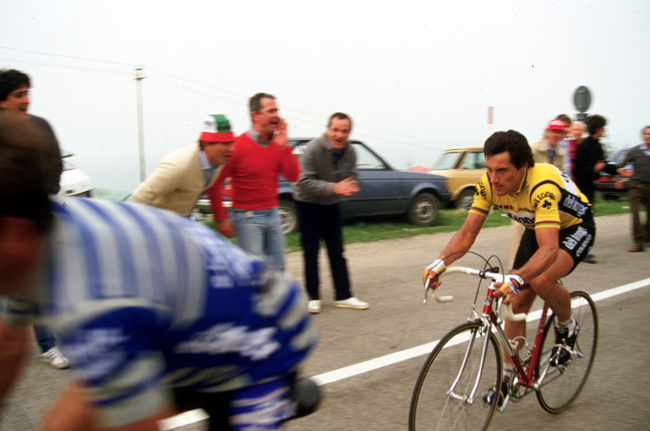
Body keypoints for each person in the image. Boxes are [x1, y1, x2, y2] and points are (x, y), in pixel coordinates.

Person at [0, 112, 316, 431]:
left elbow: (138, 420)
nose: (228, 149)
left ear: (14, 233)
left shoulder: (92, 299)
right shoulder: (36, 234)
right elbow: (7, 345)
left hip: (262, 334)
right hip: (171, 319)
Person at [423, 130, 594, 403]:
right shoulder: (489, 184)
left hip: (573, 228)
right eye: (489, 169)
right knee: (514, 305)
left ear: (524, 166)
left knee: (539, 280)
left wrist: (516, 277)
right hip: (535, 225)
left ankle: (567, 325)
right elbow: (467, 234)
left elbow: (549, 248)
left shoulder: (542, 187)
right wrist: (439, 263)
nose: (493, 178)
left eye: (502, 170)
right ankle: (510, 376)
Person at [0, 68, 69, 369]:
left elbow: (55, 165)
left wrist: (42, 195)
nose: (26, 99)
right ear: (2, 100)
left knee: (36, 284)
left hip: (35, 217)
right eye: (19, 94)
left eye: (27, 93)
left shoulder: (41, 126)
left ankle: (47, 345)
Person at [208, 93, 300, 272]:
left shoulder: (277, 144)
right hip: (247, 218)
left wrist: (284, 147)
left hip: (273, 214)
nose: (276, 115)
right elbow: (215, 182)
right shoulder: (237, 146)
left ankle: (275, 301)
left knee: (278, 269)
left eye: (277, 110)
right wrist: (221, 219)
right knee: (254, 273)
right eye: (271, 111)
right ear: (255, 115)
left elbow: (293, 176)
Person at [293, 113, 369, 314]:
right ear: (328, 129)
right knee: (311, 252)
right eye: (335, 129)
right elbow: (303, 182)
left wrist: (352, 186)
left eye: (344, 131)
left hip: (331, 204)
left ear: (348, 133)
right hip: (307, 203)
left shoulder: (350, 151)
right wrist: (334, 187)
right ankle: (313, 297)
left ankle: (343, 295)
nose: (339, 134)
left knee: (337, 251)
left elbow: (355, 177)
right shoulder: (313, 149)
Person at [132, 114, 235, 237]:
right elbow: (139, 197)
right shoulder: (179, 166)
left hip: (182, 228)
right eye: (225, 144)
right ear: (207, 144)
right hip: (159, 231)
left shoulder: (219, 160)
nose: (231, 149)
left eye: (231, 143)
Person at [508, 119, 567, 269]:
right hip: (524, 193)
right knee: (518, 226)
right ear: (546, 132)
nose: (555, 134)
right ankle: (514, 267)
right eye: (552, 131)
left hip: (545, 196)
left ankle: (542, 262)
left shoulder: (561, 152)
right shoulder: (533, 148)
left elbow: (559, 175)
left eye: (559, 132)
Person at [572, 114, 617, 263]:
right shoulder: (584, 146)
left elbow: (603, 165)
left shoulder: (598, 145)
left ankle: (583, 251)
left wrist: (619, 170)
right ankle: (582, 252)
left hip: (591, 187)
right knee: (584, 222)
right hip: (582, 188)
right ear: (597, 129)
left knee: (586, 221)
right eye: (602, 128)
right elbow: (578, 171)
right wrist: (593, 169)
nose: (604, 131)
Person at [617, 126, 650, 252]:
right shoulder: (634, 151)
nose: (648, 136)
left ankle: (648, 238)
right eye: (646, 134)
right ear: (643, 136)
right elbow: (621, 166)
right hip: (636, 187)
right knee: (635, 214)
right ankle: (638, 243)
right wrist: (620, 177)